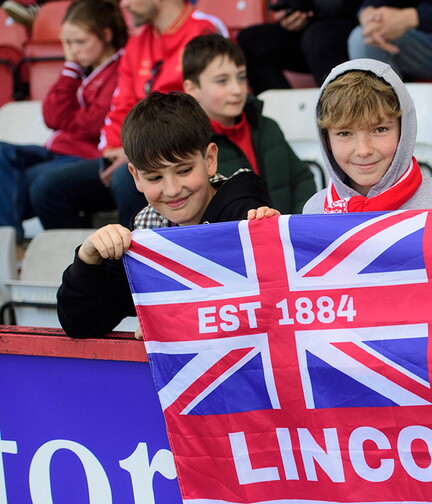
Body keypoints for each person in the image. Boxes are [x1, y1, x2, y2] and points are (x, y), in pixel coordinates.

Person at [57, 91, 277, 339]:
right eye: (154, 177)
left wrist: (169, 320)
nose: (172, 190)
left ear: (210, 160)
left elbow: (267, 308)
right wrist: (88, 260)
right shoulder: (143, 230)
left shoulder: (245, 213)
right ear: (136, 177)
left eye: (183, 171)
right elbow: (82, 324)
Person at [30, 0, 227, 230]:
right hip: (129, 157)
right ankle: (92, 252)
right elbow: (120, 107)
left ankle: (140, 249)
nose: (125, 4)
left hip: (180, 157)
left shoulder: (204, 29)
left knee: (126, 178)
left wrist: (133, 153)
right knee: (46, 188)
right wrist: (111, 150)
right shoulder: (136, 43)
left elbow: (215, 106)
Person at [302, 58, 432, 213]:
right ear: (326, 139)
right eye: (344, 133)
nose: (363, 150)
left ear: (404, 130)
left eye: (379, 130)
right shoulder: (314, 212)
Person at [0, 0, 125, 241]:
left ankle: (12, 245)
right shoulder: (80, 69)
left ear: (106, 35)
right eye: (67, 43)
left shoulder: (119, 70)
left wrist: (66, 118)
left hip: (82, 157)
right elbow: (52, 116)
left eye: (80, 42)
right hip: (55, 152)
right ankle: (9, 244)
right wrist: (70, 68)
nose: (73, 51)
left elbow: (92, 124)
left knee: (20, 184)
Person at [182, 34, 316, 213]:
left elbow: (302, 179)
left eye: (241, 77)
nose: (237, 89)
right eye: (222, 81)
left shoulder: (267, 128)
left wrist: (293, 223)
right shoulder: (190, 144)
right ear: (192, 89)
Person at [236, 0, 362, 93]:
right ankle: (280, 114)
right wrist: (292, 11)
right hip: (315, 27)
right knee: (253, 40)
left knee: (317, 37)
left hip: (360, 24)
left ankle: (342, 112)